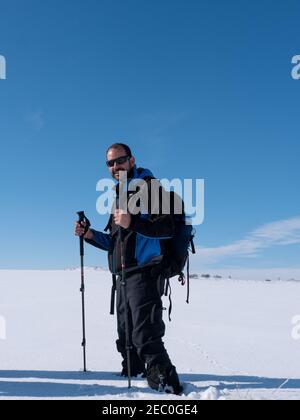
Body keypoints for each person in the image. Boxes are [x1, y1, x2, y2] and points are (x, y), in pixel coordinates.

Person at [75, 143, 183, 395]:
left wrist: (131, 221)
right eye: (110, 163)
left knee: (145, 332)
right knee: (125, 332)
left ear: (132, 160)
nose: (115, 167)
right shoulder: (120, 194)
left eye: (119, 161)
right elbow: (115, 243)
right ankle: (133, 369)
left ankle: (167, 383)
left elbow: (167, 228)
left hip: (145, 271)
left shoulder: (149, 187)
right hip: (123, 274)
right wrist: (89, 234)